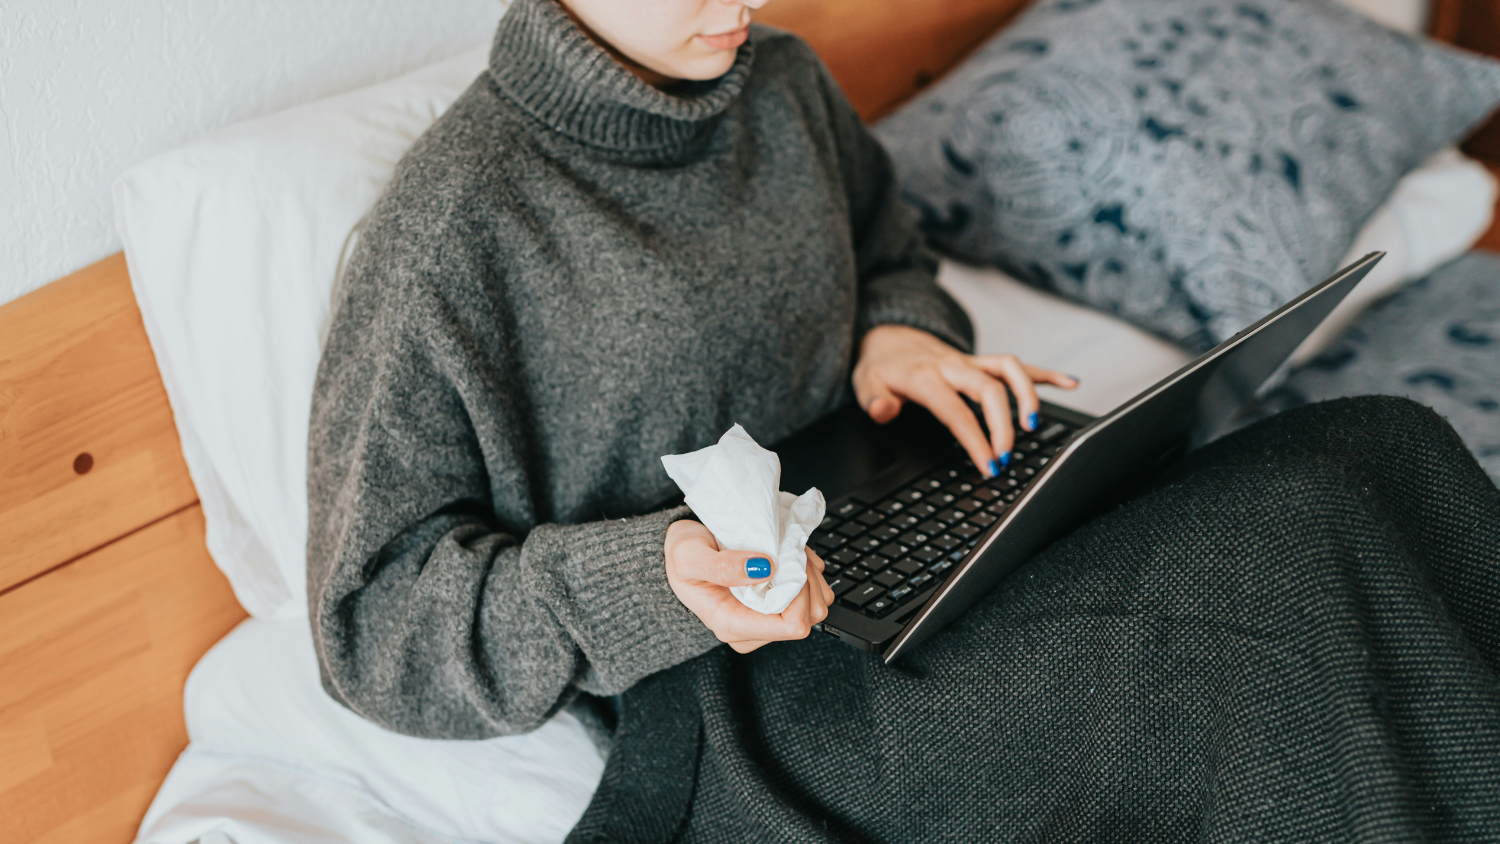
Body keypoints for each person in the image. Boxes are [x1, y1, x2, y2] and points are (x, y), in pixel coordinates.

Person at [307, 0, 1500, 840]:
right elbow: (373, 631)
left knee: (1378, 447)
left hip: (905, 519)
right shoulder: (450, 236)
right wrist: (650, 577)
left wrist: (900, 336)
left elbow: (891, 254)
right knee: (1281, 583)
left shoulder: (779, 86)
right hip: (740, 686)